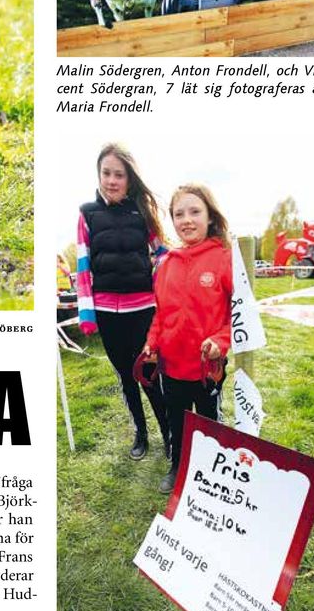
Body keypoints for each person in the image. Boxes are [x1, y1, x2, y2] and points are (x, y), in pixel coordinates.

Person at [76, 144, 170, 461]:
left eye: (119, 175)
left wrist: (165, 286)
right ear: (98, 174)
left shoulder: (142, 214)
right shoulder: (86, 213)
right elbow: (83, 266)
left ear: (130, 179)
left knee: (149, 376)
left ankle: (169, 436)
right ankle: (141, 435)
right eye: (107, 173)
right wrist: (87, 312)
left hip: (143, 311)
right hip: (106, 313)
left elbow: (163, 254)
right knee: (126, 378)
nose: (112, 181)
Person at [143, 185, 232, 493]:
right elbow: (160, 313)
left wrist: (220, 342)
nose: (187, 220)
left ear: (210, 216)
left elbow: (237, 316)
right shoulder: (166, 263)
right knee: (178, 423)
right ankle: (178, 466)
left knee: (210, 425)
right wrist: (152, 343)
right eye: (179, 214)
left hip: (208, 369)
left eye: (195, 211)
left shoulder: (224, 258)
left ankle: (214, 474)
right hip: (171, 368)